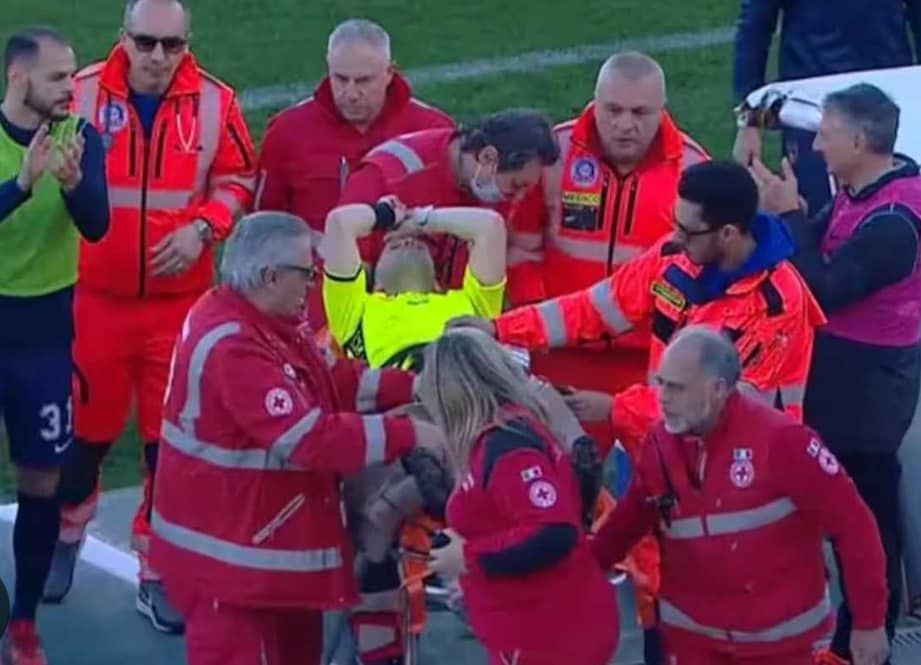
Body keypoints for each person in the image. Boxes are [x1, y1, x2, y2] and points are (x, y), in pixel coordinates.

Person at [451, 159, 825, 654]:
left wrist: (613, 409)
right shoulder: (678, 256)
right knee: (661, 599)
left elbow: (718, 410)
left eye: (688, 230)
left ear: (730, 234)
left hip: (743, 488)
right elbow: (594, 308)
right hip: (667, 463)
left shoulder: (777, 305)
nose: (675, 238)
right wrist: (499, 329)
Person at [44, 0, 258, 634]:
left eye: (172, 44)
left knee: (171, 451)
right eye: (146, 42)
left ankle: (159, 569)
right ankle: (63, 540)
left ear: (187, 42)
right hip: (92, 302)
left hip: (179, 309)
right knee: (83, 440)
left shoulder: (217, 103)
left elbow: (240, 177)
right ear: (124, 38)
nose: (158, 57)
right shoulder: (76, 95)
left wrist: (204, 228)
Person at [147, 210, 442, 665]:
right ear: (270, 276)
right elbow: (310, 439)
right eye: (307, 274)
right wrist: (411, 433)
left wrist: (421, 387)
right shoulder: (233, 344)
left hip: (260, 550)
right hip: (232, 564)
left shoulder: (265, 320)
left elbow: (333, 380)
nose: (313, 284)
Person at [590, 325, 890, 665]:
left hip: (780, 648)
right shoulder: (660, 445)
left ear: (717, 389)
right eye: (661, 384)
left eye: (676, 387)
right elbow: (626, 524)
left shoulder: (782, 442)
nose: (664, 398)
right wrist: (573, 571)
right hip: (693, 644)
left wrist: (869, 622)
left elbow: (854, 526)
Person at [751, 82, 921, 665]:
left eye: (825, 135)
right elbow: (815, 248)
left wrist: (791, 214)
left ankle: (865, 639)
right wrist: (790, 211)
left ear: (858, 140)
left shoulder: (897, 221)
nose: (818, 145)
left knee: (865, 516)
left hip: (869, 390)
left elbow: (823, 285)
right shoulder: (867, 187)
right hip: (845, 375)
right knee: (841, 509)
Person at [506, 51, 708, 452]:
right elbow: (521, 250)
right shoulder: (554, 155)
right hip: (558, 355)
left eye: (640, 112)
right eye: (613, 110)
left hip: (646, 368)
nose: (625, 125)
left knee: (643, 489)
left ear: (662, 111)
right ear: (595, 102)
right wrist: (537, 324)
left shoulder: (692, 171)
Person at [0, 26, 109, 665]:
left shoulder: (81, 137)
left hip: (44, 334)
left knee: (42, 476)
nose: (71, 87)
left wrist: (71, 184)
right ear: (19, 79)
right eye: (58, 77)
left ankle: (23, 623)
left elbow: (96, 225)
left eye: (72, 75)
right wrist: (20, 186)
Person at [417, 327, 619, 665]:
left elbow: (552, 531)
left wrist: (468, 557)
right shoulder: (498, 436)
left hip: (552, 635)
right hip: (534, 627)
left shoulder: (508, 445)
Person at [254, 17, 454, 336]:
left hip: (410, 299)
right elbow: (264, 224)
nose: (350, 93)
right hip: (317, 303)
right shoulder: (288, 132)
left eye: (363, 81)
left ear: (390, 73)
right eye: (340, 79)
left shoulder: (435, 130)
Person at [731, 0, 921, 215]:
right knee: (818, 214)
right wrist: (749, 120)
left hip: (886, 99)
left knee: (896, 204)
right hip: (813, 108)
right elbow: (755, 25)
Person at [337, 108, 559, 290]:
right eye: (515, 186)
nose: (517, 198)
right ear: (487, 157)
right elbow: (345, 272)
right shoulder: (388, 175)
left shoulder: (487, 183)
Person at [323, 197, 507, 369]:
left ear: (437, 283)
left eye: (419, 242)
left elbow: (490, 226)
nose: (407, 239)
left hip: (464, 385)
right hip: (402, 394)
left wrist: (422, 219)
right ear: (376, 285)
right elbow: (339, 223)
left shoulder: (473, 303)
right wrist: (385, 213)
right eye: (393, 245)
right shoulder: (354, 312)